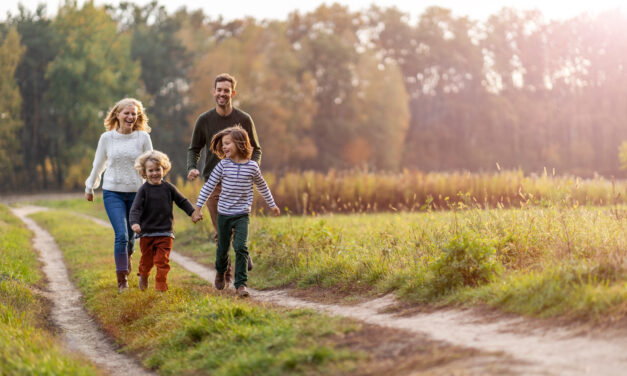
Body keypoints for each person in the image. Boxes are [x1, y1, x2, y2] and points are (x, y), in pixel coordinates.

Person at [187, 73, 260, 277]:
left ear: (232, 93)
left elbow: (256, 149)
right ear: (214, 92)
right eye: (219, 90)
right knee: (221, 232)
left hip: (239, 183)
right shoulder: (204, 120)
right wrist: (191, 167)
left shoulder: (244, 119)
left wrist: (251, 169)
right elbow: (194, 148)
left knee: (238, 228)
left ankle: (242, 253)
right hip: (214, 182)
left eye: (226, 90)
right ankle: (224, 273)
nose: (222, 94)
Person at [193, 126, 280, 297]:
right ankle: (220, 271)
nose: (224, 147)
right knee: (222, 249)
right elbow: (209, 186)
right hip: (224, 214)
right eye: (223, 144)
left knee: (241, 247)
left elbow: (262, 185)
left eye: (227, 143)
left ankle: (241, 284)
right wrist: (197, 207)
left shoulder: (252, 167)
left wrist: (272, 204)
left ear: (240, 144)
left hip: (241, 214)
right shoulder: (222, 165)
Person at [85, 98, 153, 293]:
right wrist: (90, 187)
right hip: (112, 192)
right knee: (121, 235)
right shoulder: (107, 138)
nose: (131, 117)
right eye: (127, 113)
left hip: (137, 195)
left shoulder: (142, 138)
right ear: (117, 114)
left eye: (134, 114)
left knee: (131, 238)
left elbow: (151, 164)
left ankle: (128, 256)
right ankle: (122, 280)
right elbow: (98, 164)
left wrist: (154, 190)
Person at [129, 150, 200, 292]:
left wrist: (192, 212)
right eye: (151, 170)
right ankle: (143, 275)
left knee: (162, 261)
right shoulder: (143, 190)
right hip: (147, 233)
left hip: (165, 232)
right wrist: (135, 223)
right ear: (144, 172)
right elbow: (135, 209)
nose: (155, 173)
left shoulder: (168, 188)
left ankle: (160, 287)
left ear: (164, 169)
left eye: (158, 169)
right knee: (147, 261)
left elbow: (182, 201)